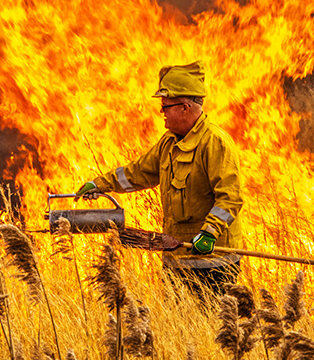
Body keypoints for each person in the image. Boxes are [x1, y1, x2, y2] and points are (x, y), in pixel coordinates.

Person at [75, 61, 243, 296]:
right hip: (176, 261)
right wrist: (100, 184)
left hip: (212, 263)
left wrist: (210, 233)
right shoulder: (169, 142)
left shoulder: (215, 142)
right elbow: (137, 173)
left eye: (165, 106)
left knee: (214, 329)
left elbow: (231, 198)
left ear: (184, 107)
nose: (161, 112)